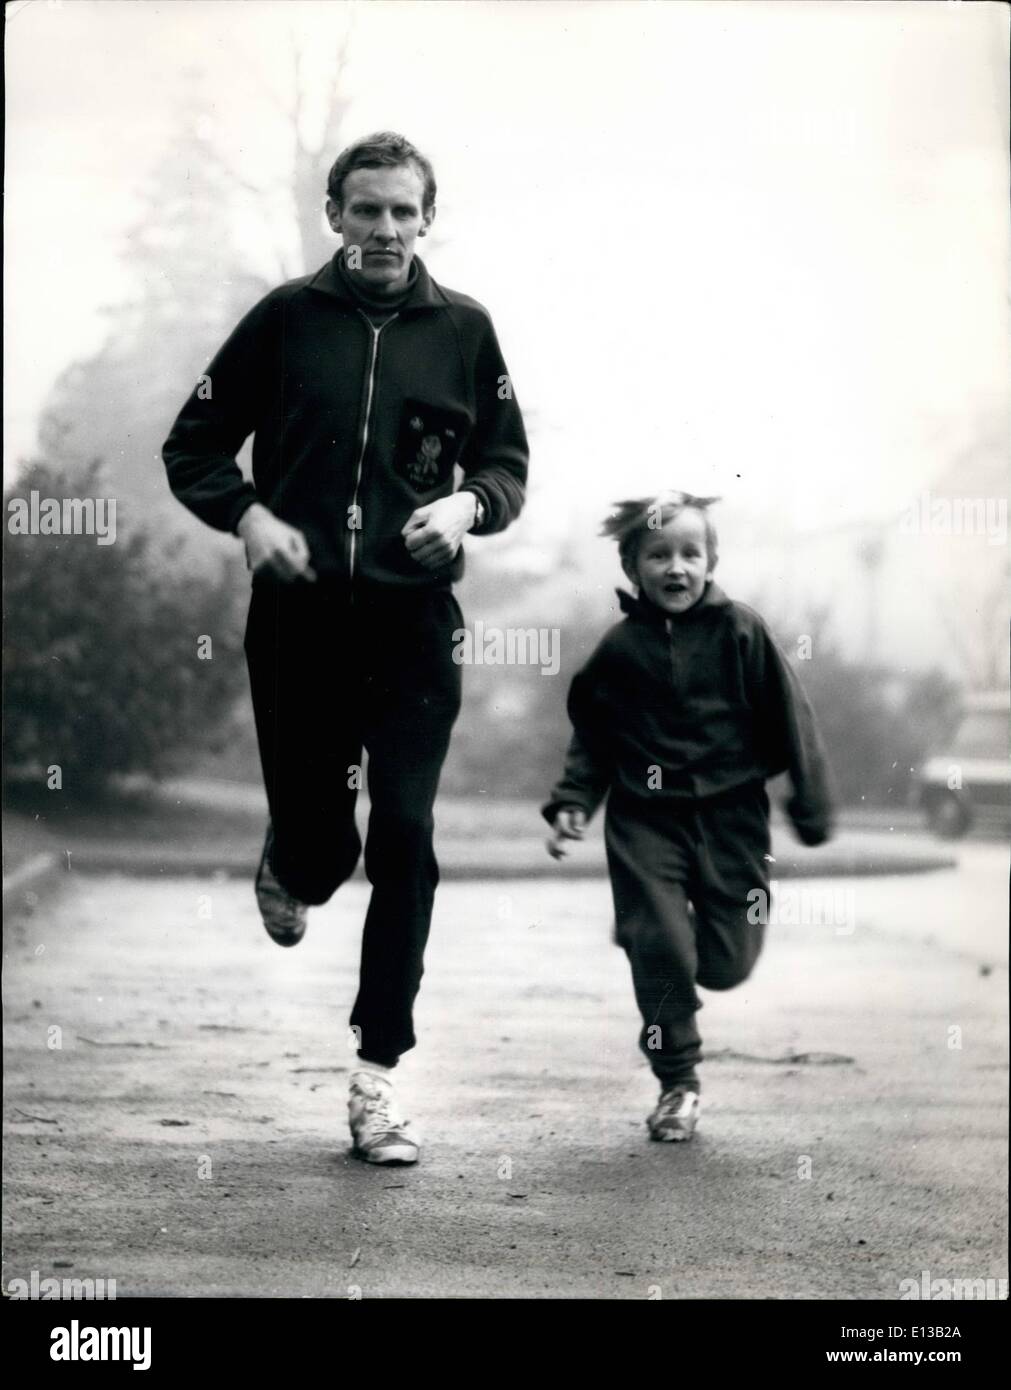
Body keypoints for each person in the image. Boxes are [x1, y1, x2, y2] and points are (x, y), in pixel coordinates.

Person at [163, 132, 528, 1164]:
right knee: (328, 846)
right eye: (365, 210)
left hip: (414, 625)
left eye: (402, 212)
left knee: (406, 834)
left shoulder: (466, 330)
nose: (383, 230)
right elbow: (191, 440)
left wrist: (463, 504)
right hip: (299, 617)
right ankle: (295, 855)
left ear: (427, 218)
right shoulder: (285, 320)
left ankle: (378, 1078)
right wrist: (248, 517)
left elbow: (505, 464)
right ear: (337, 216)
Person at [542, 491, 833, 1141]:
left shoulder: (741, 631)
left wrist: (809, 803)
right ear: (632, 566)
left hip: (732, 818)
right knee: (663, 945)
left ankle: (657, 931)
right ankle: (677, 1082)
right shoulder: (618, 650)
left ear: (709, 561)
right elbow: (593, 737)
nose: (675, 568)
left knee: (727, 965)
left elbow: (792, 718)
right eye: (658, 555)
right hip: (646, 819)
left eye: (689, 553)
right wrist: (571, 804)